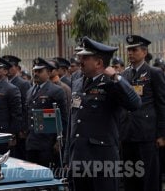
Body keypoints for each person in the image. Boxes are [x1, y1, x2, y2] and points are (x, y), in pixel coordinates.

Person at [64, 36, 141, 191]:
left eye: (85, 57)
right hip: (79, 159)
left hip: (102, 161)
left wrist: (116, 77)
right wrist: (68, 158)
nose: (80, 61)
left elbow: (135, 104)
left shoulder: (111, 83)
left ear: (99, 63)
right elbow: (74, 122)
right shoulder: (77, 82)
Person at [120, 35, 165, 191]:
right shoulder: (124, 75)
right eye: (129, 50)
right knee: (130, 177)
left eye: (134, 50)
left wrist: (161, 134)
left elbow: (161, 104)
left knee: (149, 177)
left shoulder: (154, 73)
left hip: (147, 134)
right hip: (127, 133)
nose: (130, 53)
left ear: (144, 52)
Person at [25, 57, 68, 168]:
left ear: (48, 72)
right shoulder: (30, 91)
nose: (36, 74)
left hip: (47, 143)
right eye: (34, 71)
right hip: (32, 142)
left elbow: (63, 118)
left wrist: (60, 140)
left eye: (40, 71)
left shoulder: (56, 91)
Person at [2, 55, 31, 160]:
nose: (8, 69)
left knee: (19, 156)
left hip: (19, 130)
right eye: (6, 67)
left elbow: (25, 107)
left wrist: (22, 128)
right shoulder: (4, 83)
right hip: (6, 126)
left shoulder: (23, 84)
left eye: (11, 66)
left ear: (17, 68)